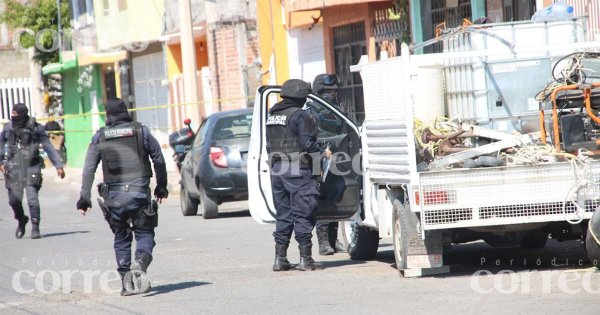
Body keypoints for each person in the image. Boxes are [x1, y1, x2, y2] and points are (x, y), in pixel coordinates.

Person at [76, 98, 168, 296]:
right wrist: (161, 187)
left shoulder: (100, 137)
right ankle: (141, 261)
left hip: (114, 198)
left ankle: (127, 285)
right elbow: (158, 159)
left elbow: (89, 169)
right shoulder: (141, 132)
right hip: (139, 194)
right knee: (144, 234)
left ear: (107, 115)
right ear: (125, 111)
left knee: (121, 237)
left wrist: (84, 198)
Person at [267, 79, 331, 271]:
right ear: (302, 97)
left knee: (284, 214)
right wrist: (323, 153)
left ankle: (280, 259)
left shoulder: (273, 114)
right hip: (297, 169)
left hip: (277, 169)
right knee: (304, 212)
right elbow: (307, 144)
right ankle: (305, 259)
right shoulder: (300, 116)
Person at [0, 103, 65, 239]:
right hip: (14, 168)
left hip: (32, 166)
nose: (13, 116)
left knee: (32, 199)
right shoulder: (8, 128)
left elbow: (48, 145)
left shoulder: (36, 128)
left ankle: (35, 227)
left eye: (16, 114)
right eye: (12, 114)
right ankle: (21, 219)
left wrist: (58, 165)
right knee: (13, 201)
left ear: (23, 114)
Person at [312, 73, 347, 255]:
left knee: (336, 197)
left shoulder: (338, 107)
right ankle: (323, 242)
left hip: (339, 157)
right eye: (327, 91)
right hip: (320, 158)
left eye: (333, 91)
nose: (331, 94)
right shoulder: (311, 109)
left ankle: (333, 240)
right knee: (322, 199)